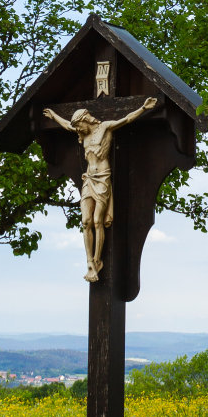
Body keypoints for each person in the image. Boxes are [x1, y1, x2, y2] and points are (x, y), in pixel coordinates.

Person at [43, 96, 158, 280]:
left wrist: (144, 108)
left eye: (79, 126)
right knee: (85, 221)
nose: (78, 130)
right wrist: (54, 116)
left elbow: (126, 119)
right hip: (88, 178)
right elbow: (66, 125)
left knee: (98, 221)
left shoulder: (104, 127)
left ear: (85, 120)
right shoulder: (84, 134)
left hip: (103, 177)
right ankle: (89, 261)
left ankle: (97, 259)